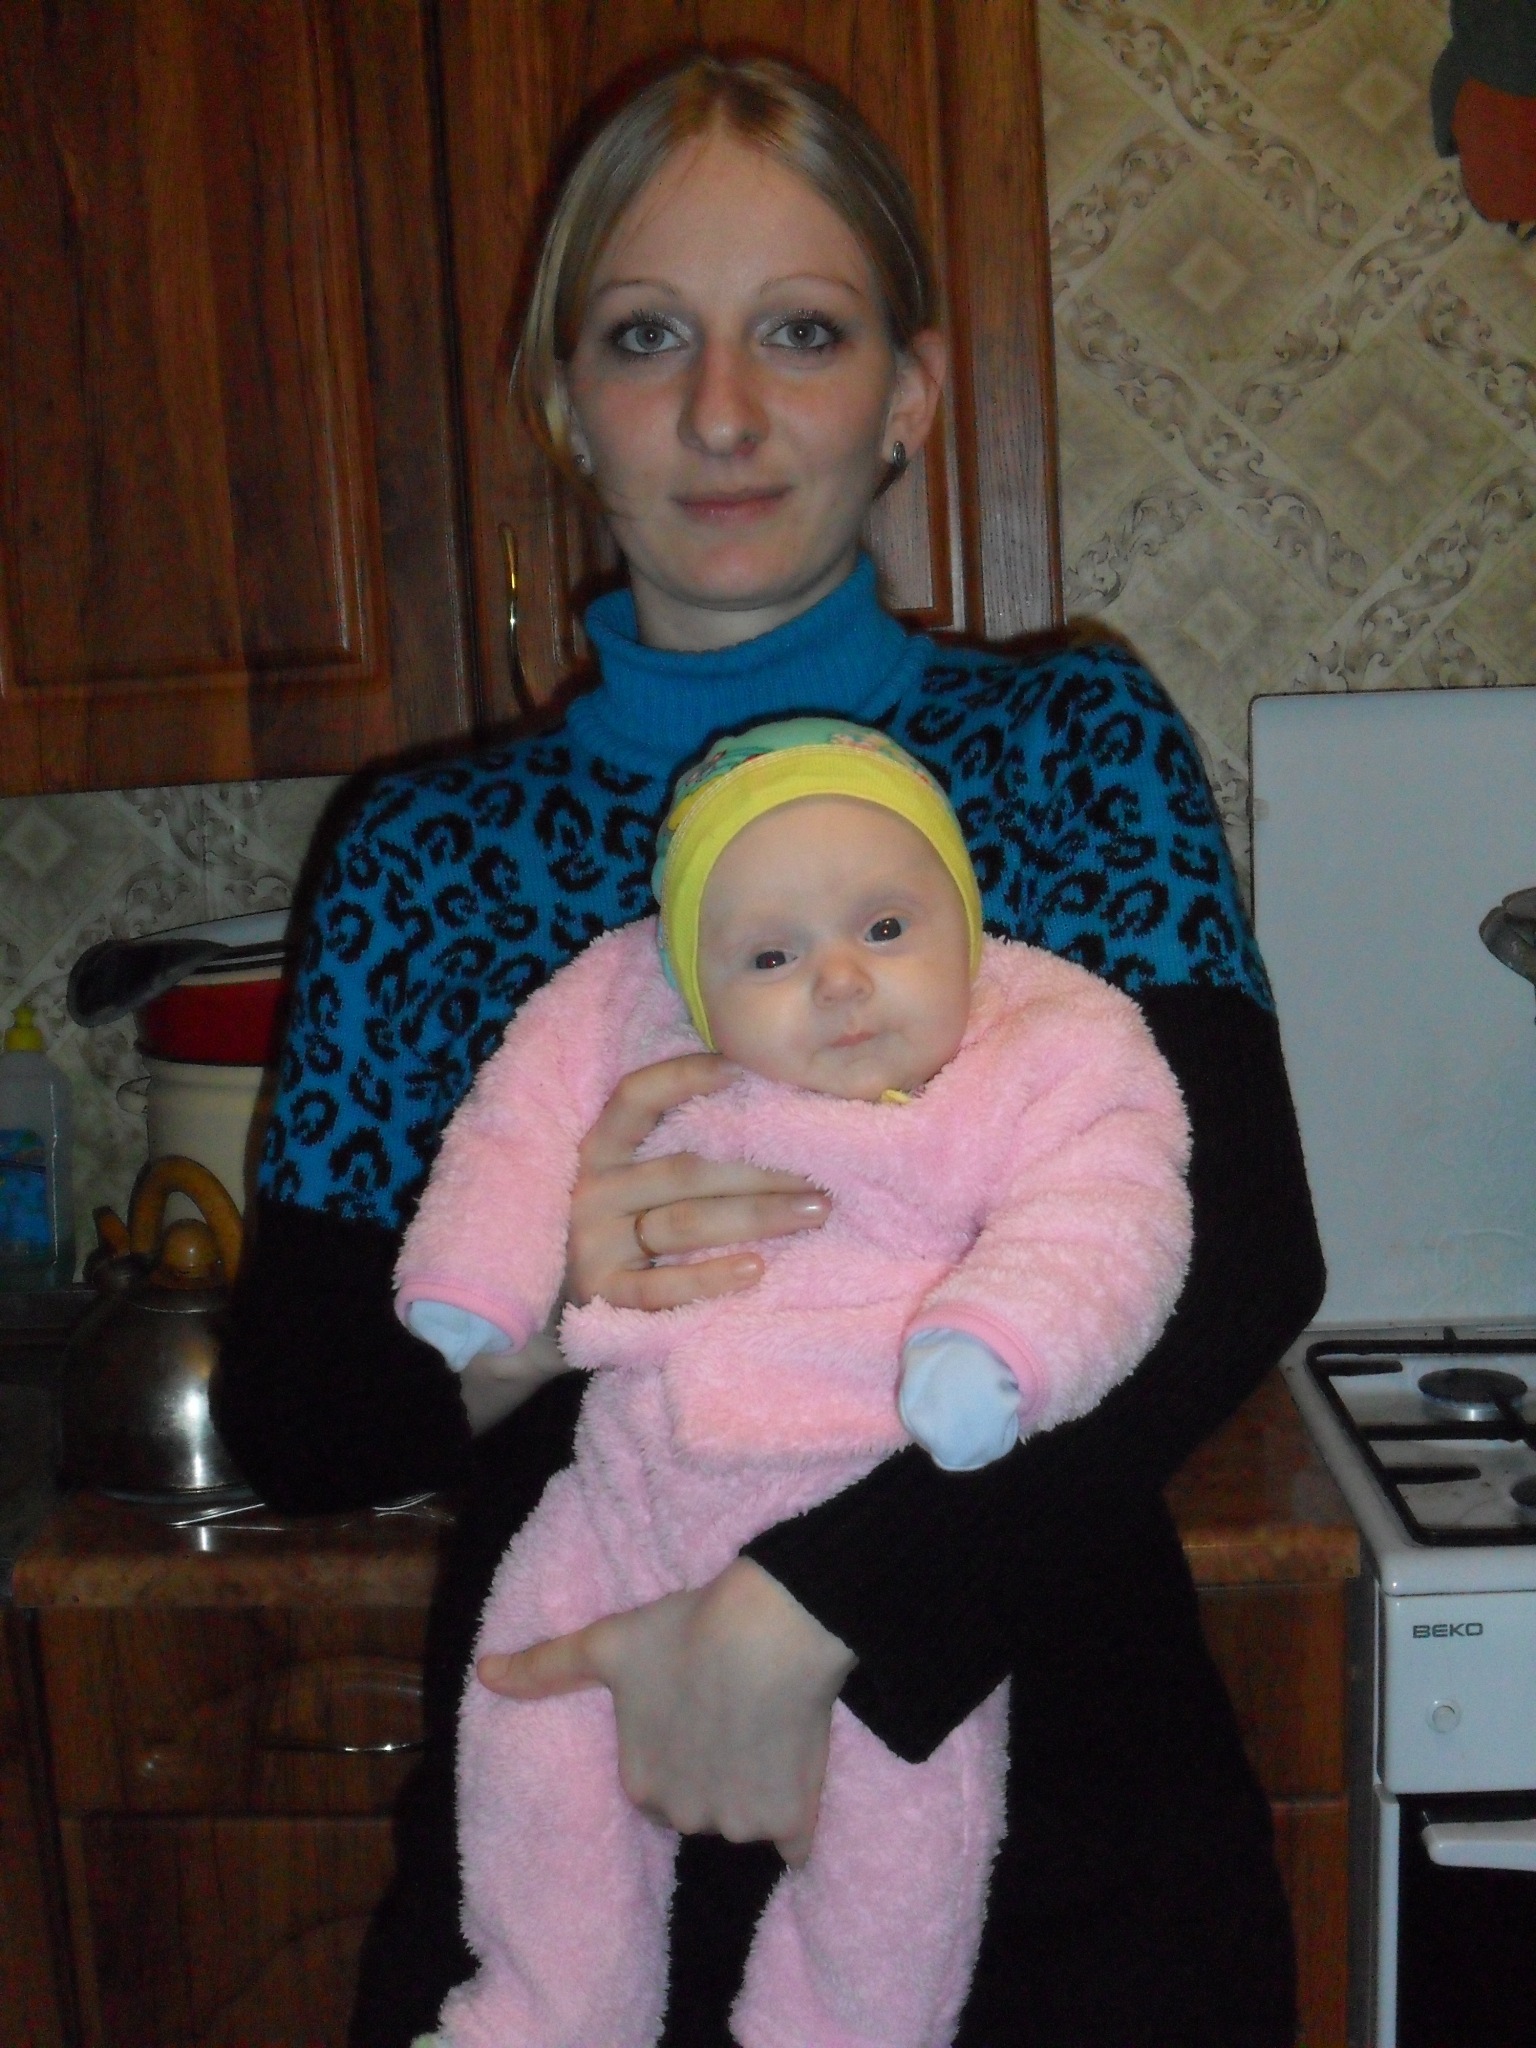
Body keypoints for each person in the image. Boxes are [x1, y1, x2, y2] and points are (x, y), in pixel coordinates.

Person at [212, 50, 1325, 2048]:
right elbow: (304, 1418)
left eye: (801, 332)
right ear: (567, 407)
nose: (723, 412)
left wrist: (818, 1614)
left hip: (1052, 1835)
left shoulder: (1063, 750)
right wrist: (552, 1303)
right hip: (580, 1827)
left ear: (909, 393)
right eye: (647, 337)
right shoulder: (423, 853)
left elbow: (1237, 1255)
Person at [395, 720, 1193, 2047]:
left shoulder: (1043, 1044)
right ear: (692, 983)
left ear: (968, 927)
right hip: (629, 1488)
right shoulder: (627, 1016)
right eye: (769, 957)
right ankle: (544, 2012)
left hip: (882, 1514)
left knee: (902, 1842)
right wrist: (491, 1286)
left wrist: (1000, 1342)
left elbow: (1114, 1219)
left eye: (886, 928)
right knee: (528, 1732)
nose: (838, 980)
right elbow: (516, 1123)